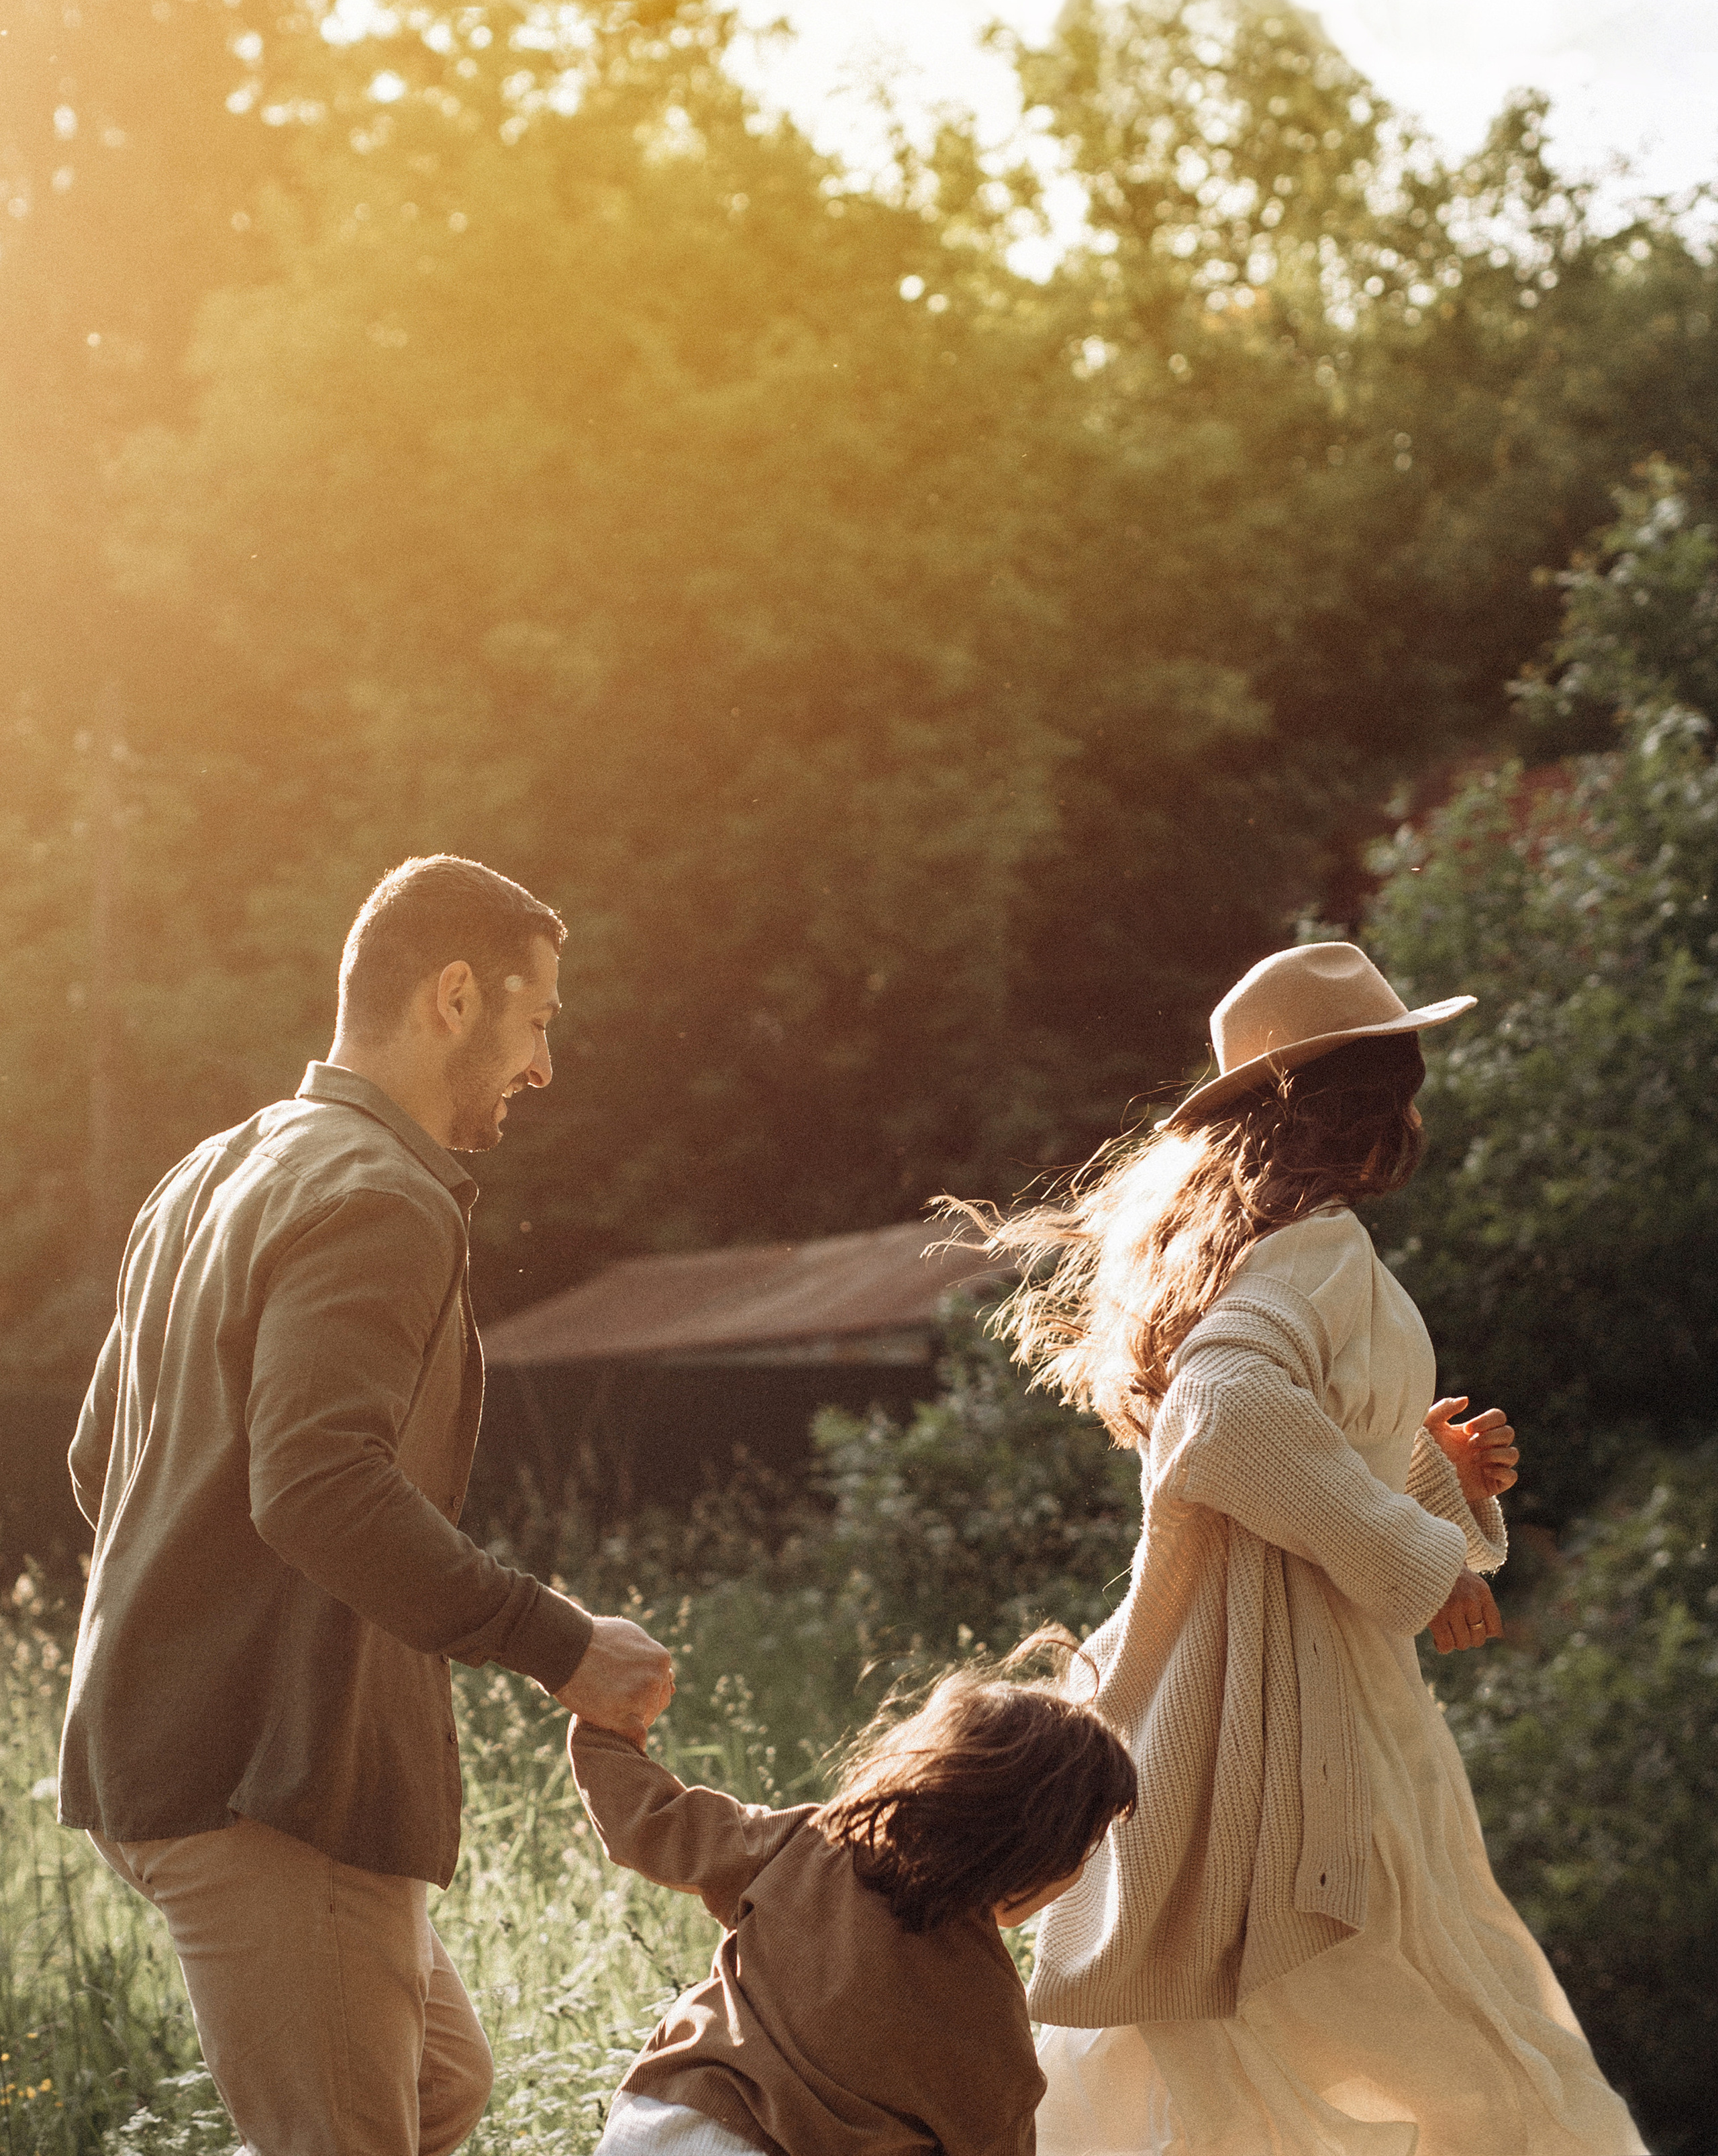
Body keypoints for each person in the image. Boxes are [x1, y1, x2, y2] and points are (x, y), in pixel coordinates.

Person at [948, 941, 1646, 2156]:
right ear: (1359, 1109)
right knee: (1487, 2079)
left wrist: (1433, 1475)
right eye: (1405, 1087)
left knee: (1212, 2076)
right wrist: (1418, 1561)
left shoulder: (1271, 1253)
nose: (1418, 1115)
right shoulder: (1311, 1254)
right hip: (1291, 1726)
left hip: (1278, 1716)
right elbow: (1229, 1419)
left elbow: (1293, 1449)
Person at [58, 854, 676, 2156]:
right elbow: (322, 1487)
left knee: (438, 2090)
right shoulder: (380, 1198)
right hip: (267, 1778)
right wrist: (563, 1645)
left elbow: (99, 1457)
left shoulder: (215, 1171)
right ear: (455, 995)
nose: (544, 1065)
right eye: (538, 1019)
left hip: (159, 1752)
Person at [568, 1637, 1139, 2156]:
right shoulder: (991, 2020)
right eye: (1086, 1847)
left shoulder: (810, 1842)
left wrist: (603, 1724)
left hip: (669, 2122)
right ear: (1043, 1854)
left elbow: (652, 1823)